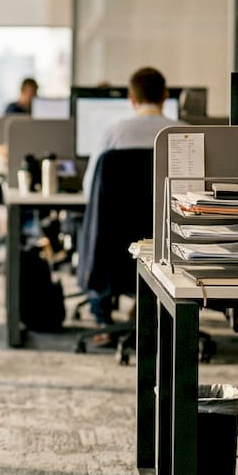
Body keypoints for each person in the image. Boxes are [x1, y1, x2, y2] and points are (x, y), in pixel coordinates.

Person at [82, 67, 182, 327]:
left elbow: (89, 189)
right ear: (165, 95)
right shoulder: (184, 134)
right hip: (171, 246)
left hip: (117, 248)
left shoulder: (113, 133)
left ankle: (103, 317)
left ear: (131, 98)